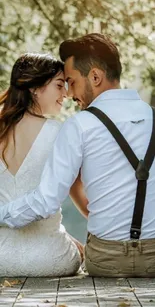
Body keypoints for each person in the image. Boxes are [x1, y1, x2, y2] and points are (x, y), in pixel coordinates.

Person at [0, 33, 155, 277]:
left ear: (95, 77)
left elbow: (48, 200)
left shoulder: (79, 125)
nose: (69, 94)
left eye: (70, 82)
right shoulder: (152, 117)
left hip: (105, 260)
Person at [0, 53, 82, 277]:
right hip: (50, 259)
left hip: (1, 257)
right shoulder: (58, 131)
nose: (65, 93)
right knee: (76, 249)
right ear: (35, 87)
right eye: (59, 85)